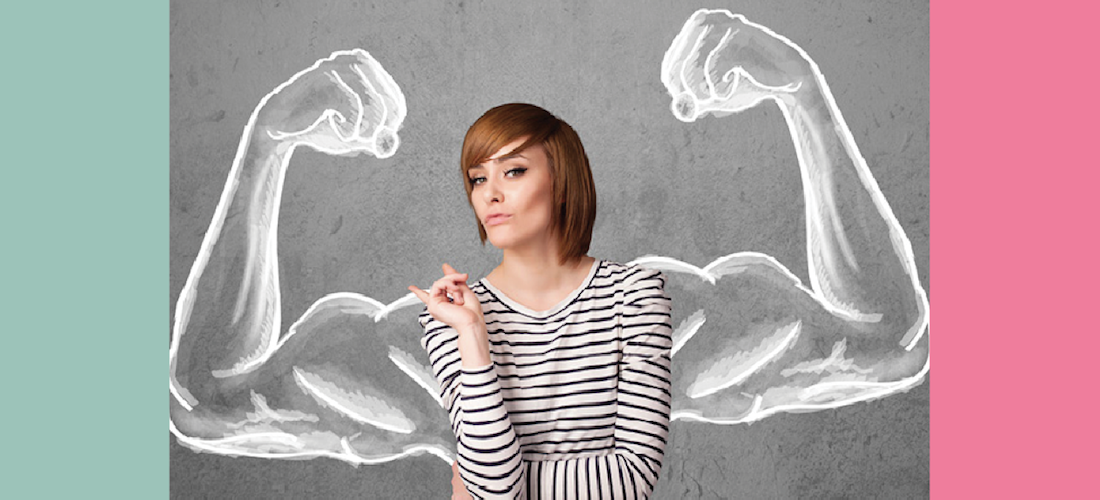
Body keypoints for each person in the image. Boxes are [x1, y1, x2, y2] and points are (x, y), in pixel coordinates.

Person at [408, 103, 673, 499]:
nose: (490, 195)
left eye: (514, 171)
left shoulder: (634, 296)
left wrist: (485, 486)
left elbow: (633, 478)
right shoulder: (451, 318)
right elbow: (496, 489)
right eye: (478, 179)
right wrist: (473, 334)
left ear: (562, 182)